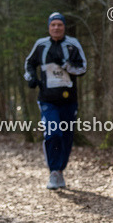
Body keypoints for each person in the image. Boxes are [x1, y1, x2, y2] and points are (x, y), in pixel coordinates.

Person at [24, 12, 87, 190]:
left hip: (69, 100)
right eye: (53, 25)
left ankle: (60, 171)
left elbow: (83, 68)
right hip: (47, 100)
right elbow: (29, 63)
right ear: (49, 27)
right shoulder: (41, 45)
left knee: (66, 137)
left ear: (64, 27)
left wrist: (66, 65)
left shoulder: (73, 45)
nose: (56, 28)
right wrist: (31, 78)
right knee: (53, 133)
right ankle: (53, 171)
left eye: (59, 25)